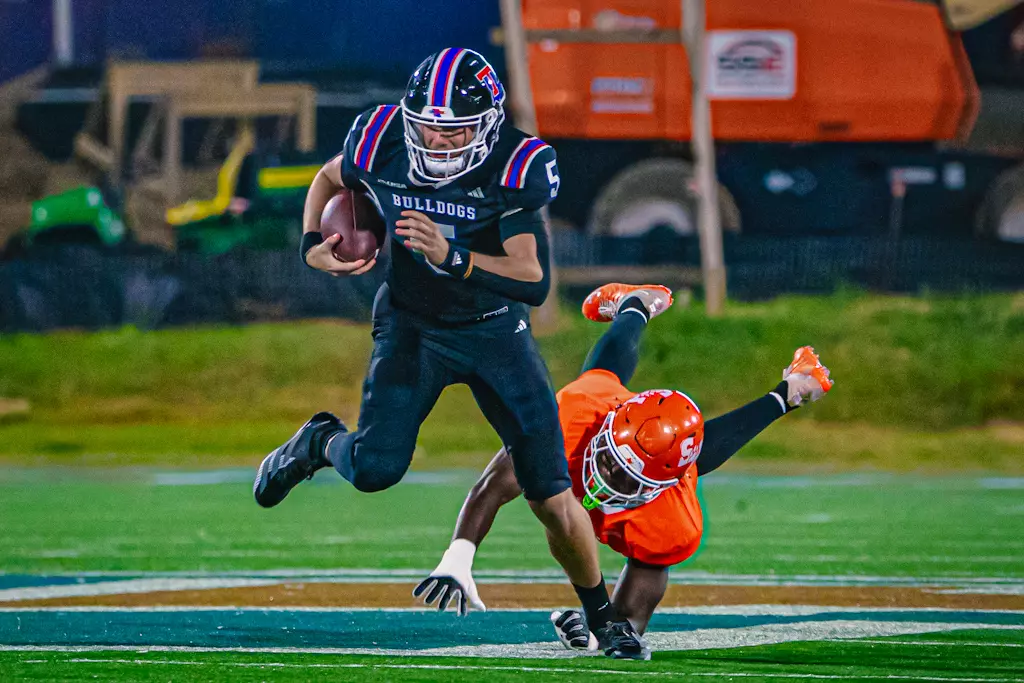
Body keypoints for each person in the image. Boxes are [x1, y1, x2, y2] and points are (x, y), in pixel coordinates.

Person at [252, 48, 646, 658]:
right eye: (428, 125)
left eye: (455, 127)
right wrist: (310, 244)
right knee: (376, 469)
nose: (437, 140)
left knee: (548, 489)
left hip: (494, 332)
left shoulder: (517, 165)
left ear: (486, 123)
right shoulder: (380, 138)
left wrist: (452, 257)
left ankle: (604, 617)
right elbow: (331, 177)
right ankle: (319, 442)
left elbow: (532, 279)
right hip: (413, 327)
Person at [413, 282, 834, 655]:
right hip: (597, 406)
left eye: (626, 476)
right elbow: (491, 486)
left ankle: (791, 391)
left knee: (688, 460)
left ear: (661, 486)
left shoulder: (669, 517)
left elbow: (628, 627)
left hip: (663, 474)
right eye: (612, 461)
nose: (608, 478)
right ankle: (637, 303)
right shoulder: (574, 419)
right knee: (601, 376)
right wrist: (459, 555)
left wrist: (600, 633)